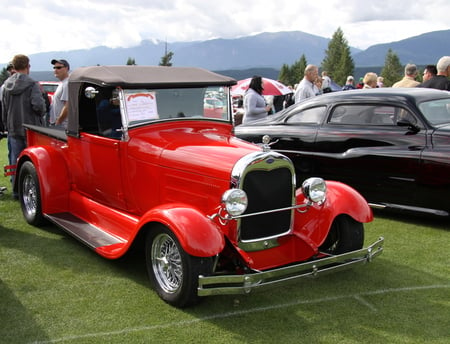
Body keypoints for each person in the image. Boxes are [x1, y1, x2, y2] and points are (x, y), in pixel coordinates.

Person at [1, 54, 46, 195]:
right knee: (32, 161)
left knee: (15, 160)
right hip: (31, 128)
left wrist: (6, 125)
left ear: (14, 67)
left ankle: (17, 191)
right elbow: (38, 105)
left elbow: (4, 108)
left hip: (13, 127)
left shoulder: (6, 85)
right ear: (28, 66)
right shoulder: (32, 84)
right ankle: (31, 191)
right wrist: (42, 112)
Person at [49, 59, 70, 128]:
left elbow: (68, 105)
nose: (55, 70)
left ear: (66, 68)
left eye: (59, 68)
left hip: (62, 125)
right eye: (54, 68)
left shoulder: (67, 84)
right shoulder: (62, 83)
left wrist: (59, 121)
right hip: (58, 124)